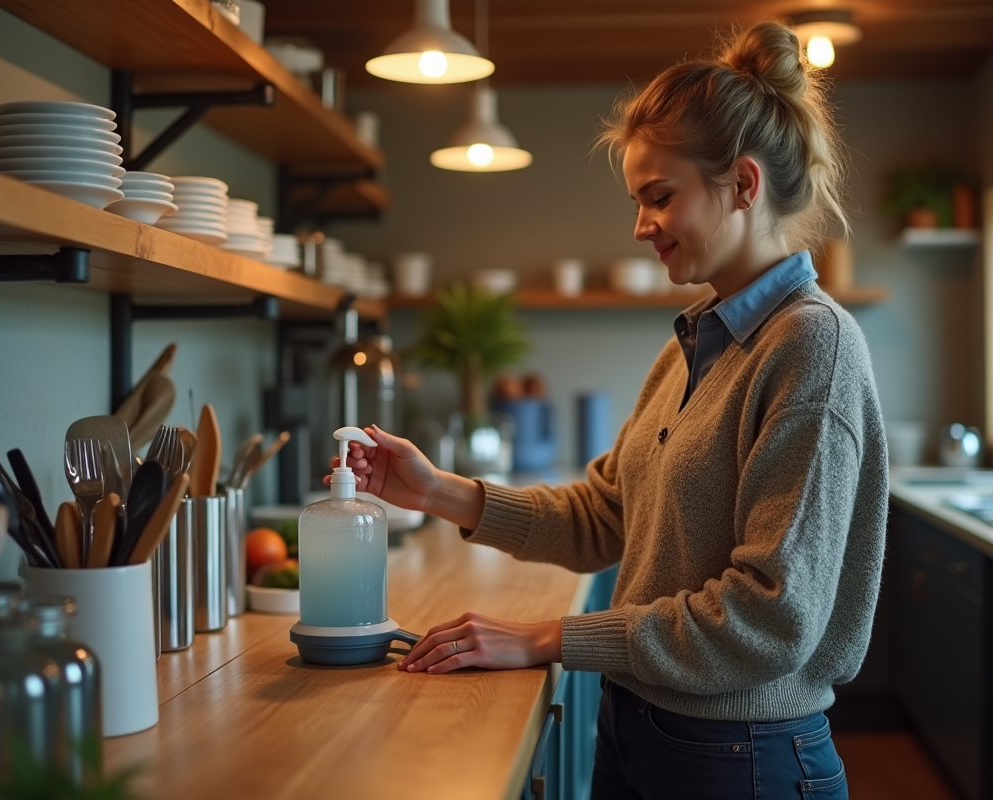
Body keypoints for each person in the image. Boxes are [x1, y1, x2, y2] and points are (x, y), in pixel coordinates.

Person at [328, 19, 887, 800]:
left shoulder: (812, 345)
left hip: (742, 757)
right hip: (644, 730)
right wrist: (432, 491)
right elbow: (607, 515)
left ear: (744, 184)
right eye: (637, 199)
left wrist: (549, 638)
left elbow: (770, 618)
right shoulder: (696, 342)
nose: (640, 226)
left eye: (660, 197)